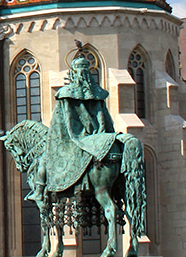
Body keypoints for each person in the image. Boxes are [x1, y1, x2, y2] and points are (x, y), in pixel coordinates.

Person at [27, 55, 118, 205]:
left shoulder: (66, 93)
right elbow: (105, 119)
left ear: (73, 73)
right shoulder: (98, 93)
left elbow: (59, 123)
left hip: (74, 137)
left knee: (44, 160)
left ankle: (38, 192)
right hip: (99, 135)